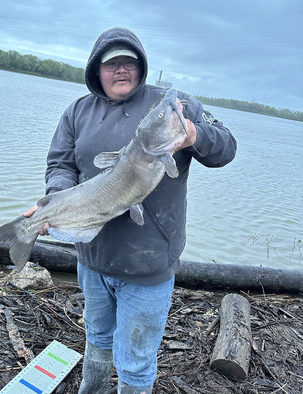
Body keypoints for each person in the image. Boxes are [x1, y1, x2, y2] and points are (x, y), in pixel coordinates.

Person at [24, 27, 237, 393]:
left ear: (141, 67)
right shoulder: (78, 111)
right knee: (97, 340)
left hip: (148, 265)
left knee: (136, 363)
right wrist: (57, 200)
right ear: (97, 69)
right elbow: (60, 165)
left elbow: (227, 146)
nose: (121, 70)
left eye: (130, 63)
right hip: (91, 256)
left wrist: (193, 135)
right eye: (112, 64)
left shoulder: (173, 106)